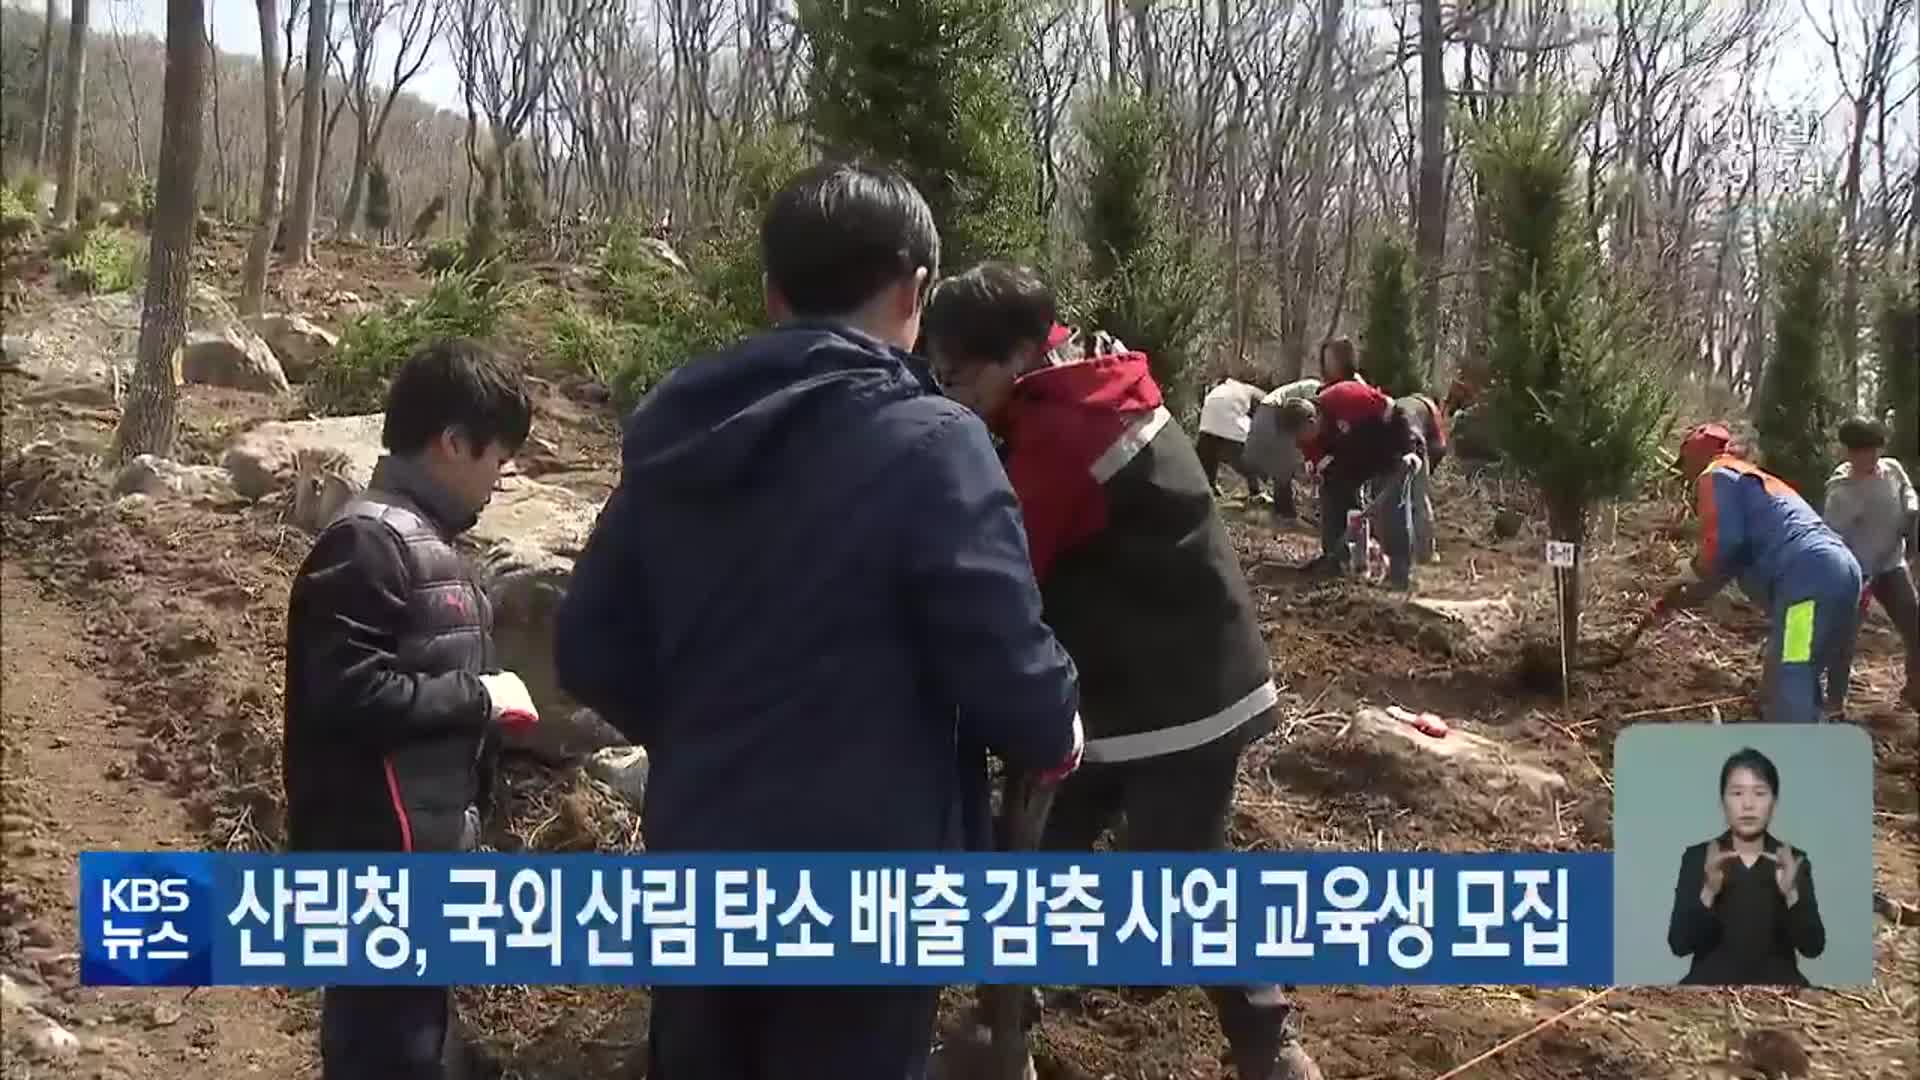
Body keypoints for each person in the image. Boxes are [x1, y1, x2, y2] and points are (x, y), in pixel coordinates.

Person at [551, 164, 1084, 1080]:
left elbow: (589, 647)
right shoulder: (934, 444)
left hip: (702, 852)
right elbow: (1002, 658)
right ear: (917, 289)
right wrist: (1054, 724)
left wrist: (707, 737)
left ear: (771, 294)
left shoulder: (676, 430)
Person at [923, 261, 1322, 1080]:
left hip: (1184, 685)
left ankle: (1269, 1045)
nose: (947, 387)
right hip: (1111, 681)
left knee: (1179, 864)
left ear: (1023, 353)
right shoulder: (1071, 390)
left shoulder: (1071, 431)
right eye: (938, 368)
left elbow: (1007, 564)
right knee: (1034, 849)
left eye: (960, 372)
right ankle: (1002, 1030)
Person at [281, 338, 537, 1080]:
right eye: (496, 460)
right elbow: (347, 693)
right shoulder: (367, 543)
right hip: (372, 868)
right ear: (452, 442)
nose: (501, 480)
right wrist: (481, 698)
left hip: (419, 863)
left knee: (420, 1046)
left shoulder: (433, 544)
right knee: (387, 1052)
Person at [1654, 424, 1863, 724]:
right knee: (1801, 669)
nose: (1685, 475)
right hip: (1840, 570)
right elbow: (1731, 560)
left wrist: (1690, 573)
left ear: (1695, 457)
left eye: (1684, 464)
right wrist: (1690, 594)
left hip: (1807, 579)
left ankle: (1792, 758)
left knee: (1792, 669)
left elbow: (1724, 544)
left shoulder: (1714, 475)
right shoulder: (1749, 478)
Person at [1666, 747, 1825, 986]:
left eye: (1760, 793)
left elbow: (1813, 947)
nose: (1748, 805)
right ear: (1723, 802)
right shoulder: (1698, 858)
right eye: (1737, 793)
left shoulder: (1792, 860)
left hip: (1778, 994)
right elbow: (1679, 945)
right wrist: (1709, 890)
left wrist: (1791, 893)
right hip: (1709, 992)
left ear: (1774, 802)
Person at [1275, 380, 1426, 589]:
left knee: (1392, 508)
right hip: (1352, 458)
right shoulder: (1304, 437)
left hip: (1389, 445)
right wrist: (1320, 476)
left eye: (1303, 436)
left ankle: (1399, 576)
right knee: (1332, 493)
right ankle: (1338, 560)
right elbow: (1323, 466)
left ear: (1312, 420)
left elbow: (1394, 411)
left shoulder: (1346, 398)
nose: (1302, 443)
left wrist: (1408, 449)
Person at [1823, 416, 1920, 710]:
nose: (1871, 458)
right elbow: (1831, 538)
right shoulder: (1842, 491)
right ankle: (1835, 701)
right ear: (1850, 452)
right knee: (1845, 639)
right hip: (1858, 573)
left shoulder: (1892, 469)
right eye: (1862, 451)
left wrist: (1912, 508)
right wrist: (1850, 574)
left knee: (1914, 625)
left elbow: (1907, 491)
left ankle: (1914, 689)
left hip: (1892, 565)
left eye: (1875, 450)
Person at [1244, 376, 1321, 525]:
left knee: (1282, 463)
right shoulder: (1315, 389)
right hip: (1273, 412)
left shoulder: (1311, 393)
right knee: (1283, 465)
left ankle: (1284, 509)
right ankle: (1285, 512)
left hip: (1269, 410)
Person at [1196, 376, 1269, 500]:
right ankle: (1257, 491)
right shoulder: (1251, 391)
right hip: (1230, 426)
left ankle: (1209, 487)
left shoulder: (1220, 389)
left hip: (1206, 424)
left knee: (1208, 456)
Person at [1396, 392, 1449, 564]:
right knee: (1418, 498)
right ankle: (1423, 552)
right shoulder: (1429, 408)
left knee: (1412, 498)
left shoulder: (1406, 404)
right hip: (1409, 441)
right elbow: (1440, 447)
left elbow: (1437, 447)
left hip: (1407, 442)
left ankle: (1419, 551)